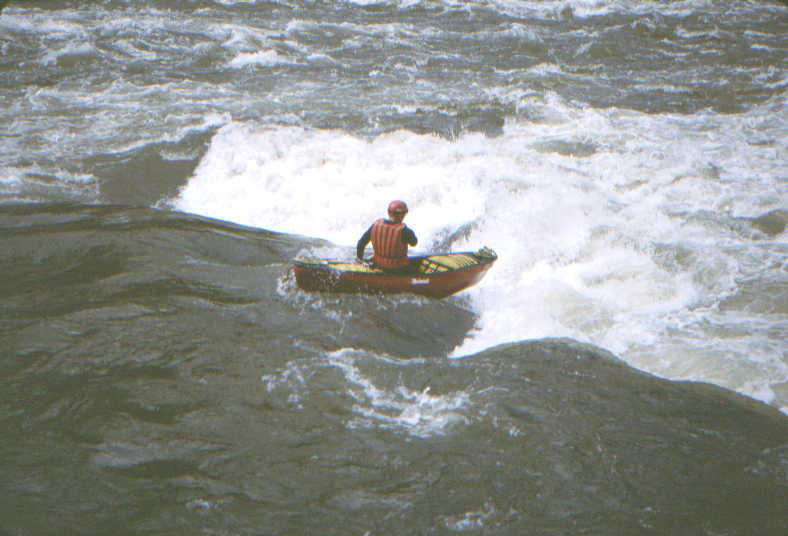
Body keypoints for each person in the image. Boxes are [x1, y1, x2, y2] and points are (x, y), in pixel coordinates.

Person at [356, 200, 418, 270]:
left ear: (389, 212)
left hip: (377, 264)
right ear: (402, 215)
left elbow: (361, 243)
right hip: (398, 268)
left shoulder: (375, 225)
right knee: (417, 265)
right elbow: (414, 243)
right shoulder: (405, 230)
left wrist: (360, 260)